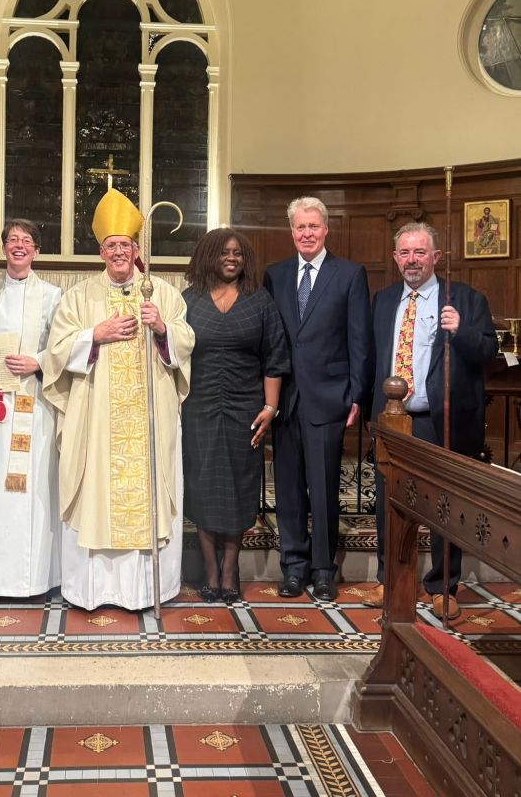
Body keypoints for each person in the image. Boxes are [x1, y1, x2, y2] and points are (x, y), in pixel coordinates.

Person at [42, 188, 194, 610]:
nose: (118, 252)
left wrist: (162, 328)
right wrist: (95, 335)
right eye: (110, 246)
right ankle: (94, 591)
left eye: (124, 245)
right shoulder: (78, 297)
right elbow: (57, 350)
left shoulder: (162, 293)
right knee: (97, 495)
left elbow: (186, 341)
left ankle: (148, 590)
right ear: (101, 251)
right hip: (98, 423)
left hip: (149, 422)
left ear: (136, 248)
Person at [362, 221, 497, 619]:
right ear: (395, 258)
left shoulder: (465, 300)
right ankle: (390, 580)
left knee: (443, 505)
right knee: (389, 504)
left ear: (436, 257)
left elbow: (487, 351)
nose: (412, 260)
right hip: (393, 420)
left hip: (442, 421)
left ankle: (443, 586)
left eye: (420, 252)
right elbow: (372, 360)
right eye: (404, 253)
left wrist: (462, 331)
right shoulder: (384, 301)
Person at [263, 196, 372, 601]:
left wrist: (356, 393)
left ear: (326, 229)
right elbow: (270, 338)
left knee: (324, 490)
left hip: (329, 398)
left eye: (313, 226)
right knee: (288, 490)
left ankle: (324, 570)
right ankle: (293, 567)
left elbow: (359, 339)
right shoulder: (274, 275)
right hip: (286, 400)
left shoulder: (349, 274)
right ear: (291, 232)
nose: (306, 233)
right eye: (299, 227)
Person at [182, 228, 289, 603]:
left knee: (239, 489)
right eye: (224, 252)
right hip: (199, 408)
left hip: (246, 408)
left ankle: (231, 567)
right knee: (203, 486)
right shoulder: (189, 301)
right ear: (209, 256)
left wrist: (270, 408)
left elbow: (274, 358)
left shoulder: (259, 300)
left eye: (238, 253)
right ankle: (210, 569)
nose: (232, 258)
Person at [0, 219, 62, 597]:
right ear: (3, 248)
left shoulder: (53, 296)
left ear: (37, 250)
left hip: (32, 404)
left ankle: (33, 578)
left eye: (26, 241)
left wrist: (37, 361)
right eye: (12, 240)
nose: (19, 245)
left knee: (31, 486)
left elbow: (63, 344)